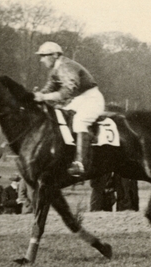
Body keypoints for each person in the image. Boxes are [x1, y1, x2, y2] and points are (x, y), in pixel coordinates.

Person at [32, 41, 106, 179]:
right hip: (77, 100)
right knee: (59, 119)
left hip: (91, 99)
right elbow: (49, 88)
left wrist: (44, 97)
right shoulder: (54, 69)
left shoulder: (66, 66)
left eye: (44, 56)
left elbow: (68, 90)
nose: (41, 60)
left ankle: (80, 163)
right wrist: (36, 96)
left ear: (55, 55)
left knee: (79, 122)